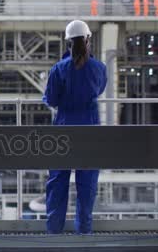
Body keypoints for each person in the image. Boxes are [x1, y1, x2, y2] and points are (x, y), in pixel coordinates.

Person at [43, 20, 107, 234]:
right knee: (87, 187)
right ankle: (84, 235)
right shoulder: (99, 68)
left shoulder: (59, 69)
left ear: (67, 42)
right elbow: (98, 90)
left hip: (63, 133)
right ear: (88, 39)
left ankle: (53, 234)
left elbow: (50, 100)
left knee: (57, 184)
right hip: (90, 133)